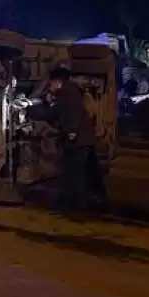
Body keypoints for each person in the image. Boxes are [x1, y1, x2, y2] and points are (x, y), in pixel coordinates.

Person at [46, 67, 107, 215]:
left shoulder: (68, 93)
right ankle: (91, 201)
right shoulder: (70, 91)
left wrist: (72, 131)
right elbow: (57, 112)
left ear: (58, 82)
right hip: (84, 139)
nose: (50, 87)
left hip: (78, 140)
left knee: (74, 174)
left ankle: (76, 207)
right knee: (83, 172)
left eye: (51, 84)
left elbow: (74, 112)